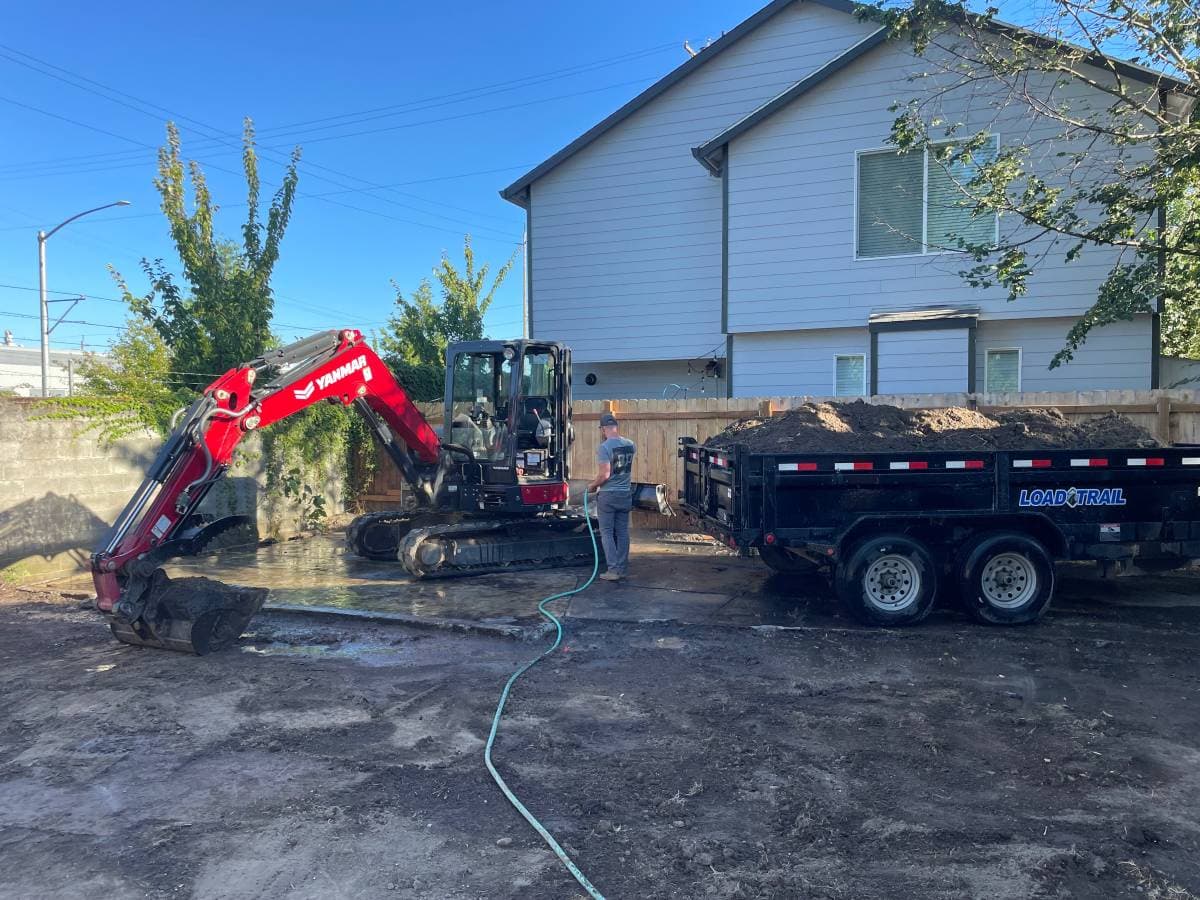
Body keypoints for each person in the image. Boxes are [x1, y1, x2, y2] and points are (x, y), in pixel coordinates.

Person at [587, 412, 637, 581]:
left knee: (607, 532)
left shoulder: (604, 447)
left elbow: (605, 475)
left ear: (603, 429)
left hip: (608, 496)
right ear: (616, 427)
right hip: (625, 494)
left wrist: (592, 486)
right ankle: (622, 569)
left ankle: (613, 570)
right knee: (622, 532)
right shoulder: (630, 445)